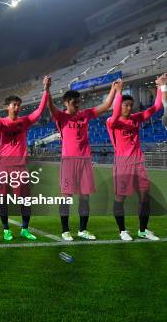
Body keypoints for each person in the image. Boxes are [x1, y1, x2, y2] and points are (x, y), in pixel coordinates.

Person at [47, 80, 119, 241]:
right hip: (69, 161)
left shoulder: (85, 114)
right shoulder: (61, 116)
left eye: (79, 102)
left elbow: (106, 105)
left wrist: (113, 88)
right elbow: (50, 106)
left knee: (85, 197)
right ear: (66, 103)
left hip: (85, 160)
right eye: (74, 103)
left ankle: (82, 230)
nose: (78, 105)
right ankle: (65, 230)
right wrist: (47, 89)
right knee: (66, 196)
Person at [0, 76, 50, 241]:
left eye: (19, 105)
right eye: (14, 105)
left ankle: (24, 229)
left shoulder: (25, 121)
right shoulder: (1, 122)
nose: (17, 107)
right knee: (2, 199)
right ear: (8, 107)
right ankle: (6, 229)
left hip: (20, 167)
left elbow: (39, 111)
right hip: (4, 167)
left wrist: (46, 90)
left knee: (25, 200)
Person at [107, 77, 163, 241]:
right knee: (120, 197)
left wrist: (160, 86)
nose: (129, 108)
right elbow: (115, 112)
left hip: (139, 163)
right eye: (126, 105)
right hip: (122, 164)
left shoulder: (136, 118)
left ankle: (143, 230)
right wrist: (118, 92)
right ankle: (122, 231)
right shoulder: (112, 122)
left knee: (145, 197)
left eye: (131, 105)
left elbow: (157, 107)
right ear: (119, 105)